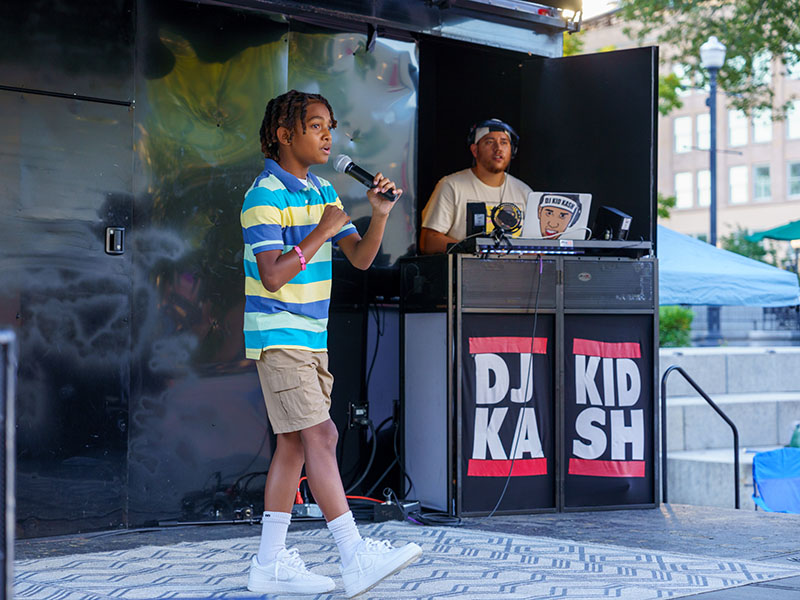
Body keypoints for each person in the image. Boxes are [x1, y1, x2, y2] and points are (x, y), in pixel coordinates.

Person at [241, 89, 422, 597]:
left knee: (294, 446)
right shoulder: (263, 195)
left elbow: (361, 260)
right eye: (316, 126)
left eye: (330, 127)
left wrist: (379, 213)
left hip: (311, 336)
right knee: (322, 436)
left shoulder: (323, 190)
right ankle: (353, 553)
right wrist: (321, 231)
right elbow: (272, 275)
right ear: (284, 135)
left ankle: (268, 564)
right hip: (279, 334)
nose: (327, 136)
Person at [419, 118, 533, 254]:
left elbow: (539, 247)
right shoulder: (451, 186)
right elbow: (428, 242)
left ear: (512, 150)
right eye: (489, 142)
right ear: (475, 150)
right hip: (467, 267)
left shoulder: (525, 193)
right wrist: (474, 249)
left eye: (504, 142)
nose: (498, 148)